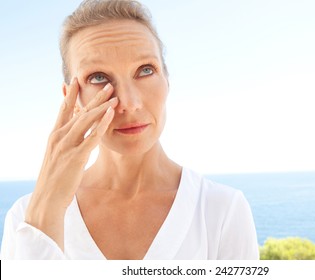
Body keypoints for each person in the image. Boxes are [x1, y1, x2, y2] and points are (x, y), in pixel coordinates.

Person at [0, 0, 258, 260]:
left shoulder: (222, 211)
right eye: (98, 77)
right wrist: (44, 215)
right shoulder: (26, 219)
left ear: (167, 81)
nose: (130, 104)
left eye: (145, 70)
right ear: (72, 99)